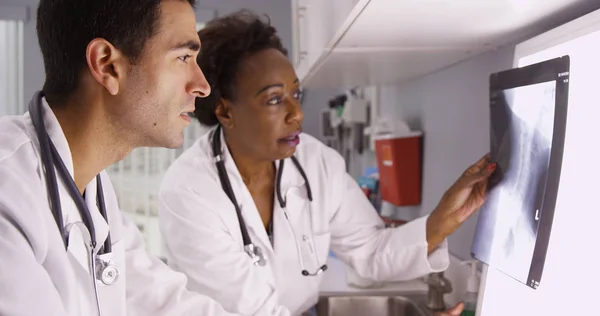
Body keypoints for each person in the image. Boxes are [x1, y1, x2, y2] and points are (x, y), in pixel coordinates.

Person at [157, 10, 497, 316]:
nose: (297, 113)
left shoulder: (315, 161)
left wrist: (444, 218)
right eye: (275, 99)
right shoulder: (189, 190)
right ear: (226, 111)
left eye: (297, 94)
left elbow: (371, 250)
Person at [0, 0, 240, 315]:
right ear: (107, 65)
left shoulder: (93, 189)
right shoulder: (9, 192)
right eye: (183, 57)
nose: (203, 86)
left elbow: (162, 300)